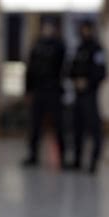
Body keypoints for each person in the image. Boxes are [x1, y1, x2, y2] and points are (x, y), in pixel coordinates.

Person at [22, 19, 66, 169]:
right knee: (35, 125)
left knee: (58, 125)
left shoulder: (58, 45)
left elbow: (62, 67)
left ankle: (63, 156)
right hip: (38, 91)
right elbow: (30, 70)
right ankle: (33, 155)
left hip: (53, 91)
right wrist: (28, 90)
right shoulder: (36, 45)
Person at [69, 20, 108, 174]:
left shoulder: (97, 49)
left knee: (95, 129)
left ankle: (94, 161)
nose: (85, 32)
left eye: (87, 29)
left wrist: (88, 82)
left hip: (90, 95)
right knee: (77, 128)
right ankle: (77, 159)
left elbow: (102, 72)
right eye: (82, 29)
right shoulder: (79, 49)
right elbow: (70, 69)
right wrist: (75, 80)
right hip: (78, 95)